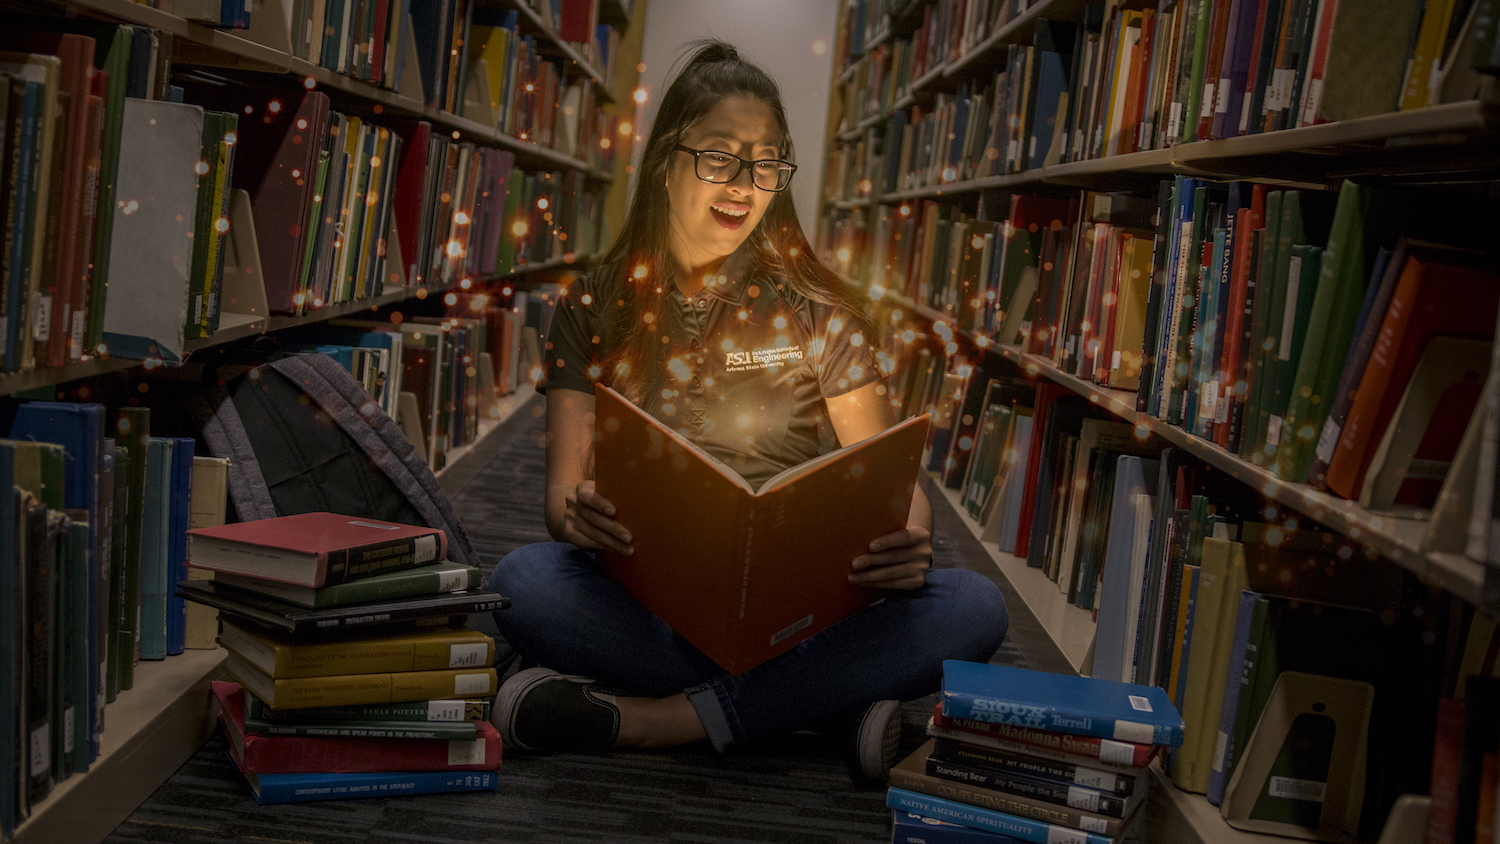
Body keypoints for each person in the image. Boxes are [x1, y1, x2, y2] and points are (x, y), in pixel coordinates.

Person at [488, 40, 1008, 779]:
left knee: (973, 605)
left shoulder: (821, 309)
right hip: (652, 603)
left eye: (766, 162)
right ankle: (821, 711)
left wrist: (908, 540)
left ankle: (657, 721)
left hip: (803, 615)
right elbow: (559, 503)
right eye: (720, 156)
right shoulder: (595, 304)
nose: (744, 184)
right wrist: (580, 514)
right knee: (521, 582)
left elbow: (901, 490)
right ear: (668, 158)